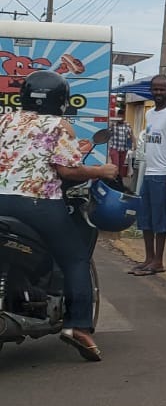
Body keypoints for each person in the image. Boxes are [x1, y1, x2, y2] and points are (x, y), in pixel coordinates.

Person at [0, 70, 119, 360]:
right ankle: (78, 326)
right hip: (38, 202)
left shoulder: (3, 119)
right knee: (75, 257)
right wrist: (102, 171)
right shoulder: (59, 125)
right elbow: (67, 171)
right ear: (60, 100)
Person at [132, 74, 166, 277]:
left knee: (160, 220)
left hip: (164, 174)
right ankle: (149, 258)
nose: (158, 93)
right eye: (155, 89)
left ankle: (159, 261)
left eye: (162, 89)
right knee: (145, 218)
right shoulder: (150, 114)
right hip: (149, 172)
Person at [107, 115, 133, 180]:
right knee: (116, 165)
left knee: (121, 166)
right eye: (119, 116)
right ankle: (114, 180)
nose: (120, 118)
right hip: (114, 147)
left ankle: (119, 181)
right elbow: (108, 133)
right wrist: (110, 125)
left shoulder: (127, 124)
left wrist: (132, 145)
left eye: (122, 116)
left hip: (124, 148)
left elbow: (130, 135)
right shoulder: (113, 125)